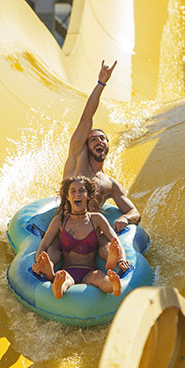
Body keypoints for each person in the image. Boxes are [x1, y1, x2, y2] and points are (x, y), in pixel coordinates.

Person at [45, 59, 141, 273]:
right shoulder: (77, 160)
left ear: (107, 145)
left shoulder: (110, 184)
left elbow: (134, 211)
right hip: (65, 225)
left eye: (102, 139)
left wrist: (125, 219)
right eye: (93, 139)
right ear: (86, 146)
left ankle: (113, 263)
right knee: (53, 247)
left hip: (90, 232)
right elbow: (86, 117)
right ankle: (47, 267)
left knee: (106, 244)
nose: (99, 141)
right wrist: (101, 83)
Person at [32, 176, 126, 299]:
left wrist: (121, 260)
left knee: (99, 276)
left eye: (82, 190)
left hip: (90, 271)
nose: (77, 194)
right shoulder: (59, 221)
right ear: (67, 197)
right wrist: (37, 262)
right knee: (63, 276)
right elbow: (44, 245)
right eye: (73, 191)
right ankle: (57, 285)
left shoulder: (97, 219)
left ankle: (113, 285)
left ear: (88, 195)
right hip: (67, 270)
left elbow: (116, 242)